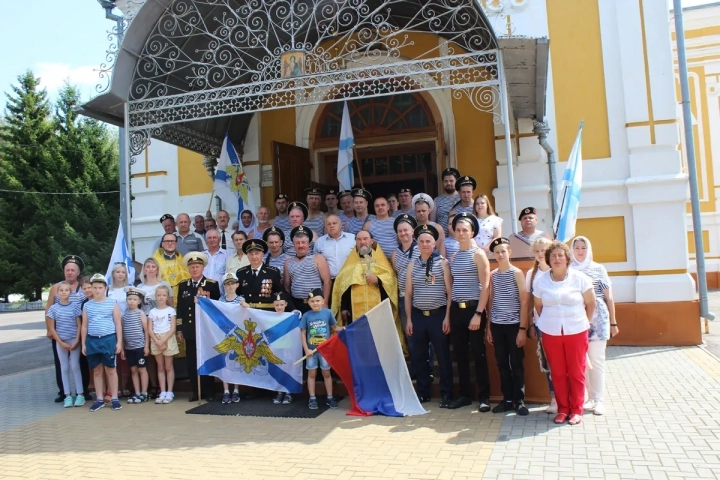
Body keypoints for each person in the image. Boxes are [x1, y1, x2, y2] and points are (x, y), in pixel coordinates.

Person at [533, 241, 596, 425]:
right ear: (548, 259)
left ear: (567, 258)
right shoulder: (541, 280)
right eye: (553, 256)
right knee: (558, 372)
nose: (557, 259)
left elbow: (590, 303)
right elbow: (538, 306)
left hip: (576, 329)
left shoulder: (579, 278)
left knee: (576, 371)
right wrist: (547, 321)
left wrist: (585, 322)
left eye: (560, 255)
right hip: (551, 331)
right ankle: (562, 409)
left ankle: (576, 409)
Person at [405, 224, 453, 408]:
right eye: (422, 241)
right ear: (417, 243)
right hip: (418, 315)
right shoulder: (412, 265)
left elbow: (450, 293)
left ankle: (446, 394)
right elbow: (408, 294)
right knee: (419, 356)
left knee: (442, 356)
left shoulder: (443, 263)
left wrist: (447, 317)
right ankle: (423, 393)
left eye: (428, 241)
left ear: (434, 243)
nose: (424, 244)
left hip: (438, 314)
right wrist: (409, 319)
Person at [447, 213, 491, 412]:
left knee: (478, 353)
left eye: (465, 230)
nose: (461, 233)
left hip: (474, 309)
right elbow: (453, 287)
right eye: (458, 230)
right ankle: (464, 395)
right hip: (457, 309)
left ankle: (484, 397)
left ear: (472, 232)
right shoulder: (454, 256)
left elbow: (486, 286)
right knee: (461, 354)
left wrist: (479, 313)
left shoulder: (478, 254)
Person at [570, 236, 619, 416]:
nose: (580, 251)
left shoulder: (598, 269)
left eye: (583, 247)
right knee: (581, 362)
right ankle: (585, 398)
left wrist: (613, 321)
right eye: (577, 248)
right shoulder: (569, 269)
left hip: (598, 320)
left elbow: (609, 297)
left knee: (596, 360)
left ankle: (598, 399)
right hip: (576, 320)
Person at [486, 238, 529, 416]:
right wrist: (489, 327)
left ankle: (519, 400)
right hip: (497, 325)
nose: (500, 255)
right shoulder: (493, 274)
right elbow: (491, 300)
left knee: (516, 363)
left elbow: (524, 301)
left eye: (503, 251)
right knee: (502, 363)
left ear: (509, 252)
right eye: (497, 252)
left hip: (514, 325)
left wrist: (522, 329)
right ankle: (507, 399)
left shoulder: (517, 273)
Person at [332, 230, 401, 335]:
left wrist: (378, 280)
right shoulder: (351, 262)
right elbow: (344, 286)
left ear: (371, 241)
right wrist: (344, 308)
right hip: (354, 310)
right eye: (359, 239)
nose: (362, 242)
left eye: (365, 239)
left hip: (379, 308)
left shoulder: (380, 261)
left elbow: (391, 282)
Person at [176, 252, 221, 402]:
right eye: (192, 267)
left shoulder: (211, 285)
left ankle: (209, 392)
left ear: (203, 268)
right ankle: (196, 392)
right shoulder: (183, 285)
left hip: (206, 329)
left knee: (207, 359)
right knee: (192, 361)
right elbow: (181, 309)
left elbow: (216, 307)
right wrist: (180, 329)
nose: (195, 269)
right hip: (190, 329)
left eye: (197, 266)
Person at [45, 255, 90, 403]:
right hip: (60, 331)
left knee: (81, 362)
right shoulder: (56, 287)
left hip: (79, 330)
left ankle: (83, 390)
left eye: (72, 270)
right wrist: (49, 330)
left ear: (78, 272)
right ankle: (63, 392)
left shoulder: (83, 287)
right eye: (67, 270)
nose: (70, 272)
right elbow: (49, 308)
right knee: (61, 363)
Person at [82, 273, 123, 412]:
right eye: (94, 287)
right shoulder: (87, 306)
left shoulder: (112, 303)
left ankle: (115, 398)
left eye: (100, 287)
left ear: (105, 288)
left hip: (108, 339)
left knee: (111, 369)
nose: (97, 290)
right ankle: (99, 399)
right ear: (91, 289)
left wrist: (119, 342)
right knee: (97, 370)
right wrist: (83, 344)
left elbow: (118, 324)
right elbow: (84, 326)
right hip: (93, 340)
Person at [525, 237, 557, 414]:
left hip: (562, 324)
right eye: (536, 251)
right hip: (541, 324)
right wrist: (530, 323)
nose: (540, 254)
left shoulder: (558, 271)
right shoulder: (532, 274)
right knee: (548, 363)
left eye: (543, 250)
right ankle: (554, 398)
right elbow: (529, 302)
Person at [300, 288, 341, 410]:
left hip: (324, 351)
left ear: (323, 301)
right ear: (308, 303)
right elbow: (303, 333)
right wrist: (306, 349)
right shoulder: (306, 316)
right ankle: (312, 398)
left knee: (326, 373)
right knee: (312, 373)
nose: (315, 303)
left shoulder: (328, 313)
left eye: (318, 300)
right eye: (312, 301)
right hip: (311, 352)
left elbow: (334, 327)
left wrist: (344, 329)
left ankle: (330, 397)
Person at [46, 282, 84, 408]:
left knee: (75, 366)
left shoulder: (75, 306)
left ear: (70, 292)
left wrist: (77, 340)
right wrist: (60, 342)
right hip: (61, 341)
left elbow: (79, 325)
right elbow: (52, 328)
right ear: (57, 293)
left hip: (74, 340)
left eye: (66, 290)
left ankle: (80, 394)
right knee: (64, 368)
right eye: (61, 290)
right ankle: (67, 395)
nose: (63, 292)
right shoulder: (53, 309)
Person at [391, 214, 420, 366]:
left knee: (422, 335)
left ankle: (426, 369)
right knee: (409, 334)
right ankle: (415, 367)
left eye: (406, 230)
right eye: (400, 231)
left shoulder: (421, 248)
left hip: (420, 298)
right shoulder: (395, 254)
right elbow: (396, 274)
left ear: (413, 231)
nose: (403, 233)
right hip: (403, 299)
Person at [284, 226, 332, 314]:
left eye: (303, 242)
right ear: (294, 245)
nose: (300, 245)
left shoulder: (318, 258)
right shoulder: (288, 262)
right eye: (297, 243)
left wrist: (325, 302)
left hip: (316, 304)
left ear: (308, 244)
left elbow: (327, 282)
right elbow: (287, 287)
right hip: (296, 305)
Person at [237, 239, 289, 311]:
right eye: (251, 254)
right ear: (247, 255)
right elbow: (237, 294)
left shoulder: (273, 272)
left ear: (263, 254)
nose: (254, 257)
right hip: (247, 312)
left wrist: (293, 309)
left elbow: (281, 293)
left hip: (266, 312)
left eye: (257, 253)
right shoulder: (241, 272)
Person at [148, 285, 178, 404]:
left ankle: (170, 391)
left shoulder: (171, 310)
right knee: (160, 367)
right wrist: (157, 340)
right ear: (155, 296)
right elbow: (150, 329)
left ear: (167, 297)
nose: (161, 297)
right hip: (156, 338)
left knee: (168, 367)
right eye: (159, 295)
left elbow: (173, 328)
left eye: (164, 295)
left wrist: (163, 340)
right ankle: (163, 391)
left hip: (167, 338)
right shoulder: (152, 312)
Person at [121, 287, 150, 404]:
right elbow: (123, 332)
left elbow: (146, 331)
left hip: (140, 347)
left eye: (134, 299)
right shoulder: (124, 315)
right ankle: (137, 392)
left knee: (142, 369)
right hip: (129, 348)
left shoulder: (141, 313)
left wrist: (146, 346)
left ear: (139, 301)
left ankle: (144, 393)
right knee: (133, 370)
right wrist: (123, 348)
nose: (131, 301)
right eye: (129, 299)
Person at [220, 272, 242, 404]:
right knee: (225, 364)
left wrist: (247, 307)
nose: (230, 286)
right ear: (224, 286)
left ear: (237, 284)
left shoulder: (241, 300)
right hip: (224, 336)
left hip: (238, 337)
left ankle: (236, 390)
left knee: (236, 362)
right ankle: (226, 390)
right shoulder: (220, 301)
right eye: (228, 284)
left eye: (233, 283)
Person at [272, 291, 298, 405]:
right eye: (277, 305)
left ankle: (288, 391)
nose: (279, 307)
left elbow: (298, 315)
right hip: (276, 349)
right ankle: (280, 391)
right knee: (278, 370)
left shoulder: (290, 316)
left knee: (288, 369)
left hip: (288, 348)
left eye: (281, 304)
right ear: (273, 305)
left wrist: (296, 313)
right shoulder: (270, 317)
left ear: (286, 304)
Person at [313, 214, 355, 285]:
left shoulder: (352, 238)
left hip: (350, 280)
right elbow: (315, 263)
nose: (331, 226)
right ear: (325, 227)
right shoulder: (320, 242)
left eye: (334, 223)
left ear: (340, 225)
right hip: (329, 282)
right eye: (328, 224)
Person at [152, 232, 190, 300]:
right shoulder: (155, 262)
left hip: (182, 298)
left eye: (172, 241)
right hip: (162, 298)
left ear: (176, 244)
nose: (170, 243)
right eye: (167, 241)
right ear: (162, 244)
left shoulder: (182, 261)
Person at [413, 193, 446, 257]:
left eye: (423, 211)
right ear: (415, 211)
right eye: (418, 211)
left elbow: (441, 250)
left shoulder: (437, 228)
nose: (421, 213)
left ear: (429, 210)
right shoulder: (411, 228)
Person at [431, 167, 461, 235]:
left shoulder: (461, 198)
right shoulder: (436, 201)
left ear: (456, 181)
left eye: (451, 181)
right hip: (442, 239)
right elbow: (433, 223)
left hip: (459, 238)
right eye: (446, 181)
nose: (448, 183)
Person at [203, 228, 228, 295]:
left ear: (219, 239)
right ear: (206, 240)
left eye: (214, 237)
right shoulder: (201, 256)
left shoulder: (227, 255)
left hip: (220, 294)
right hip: (203, 293)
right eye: (209, 238)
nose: (212, 240)